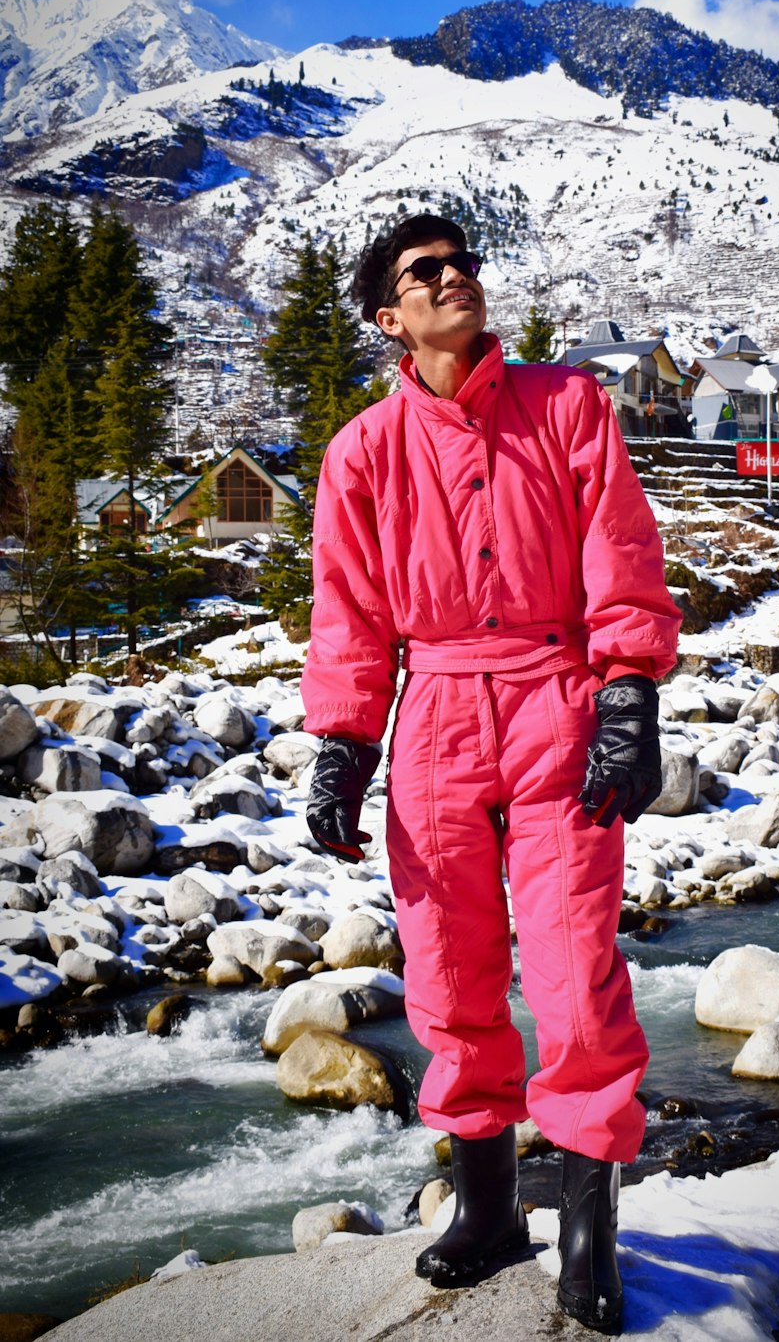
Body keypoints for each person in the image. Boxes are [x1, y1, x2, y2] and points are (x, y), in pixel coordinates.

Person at [301, 213, 682, 1334]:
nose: (456, 277)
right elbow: (351, 612)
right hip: (434, 720)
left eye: (464, 262)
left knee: (571, 970)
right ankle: (485, 1210)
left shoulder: (567, 405)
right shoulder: (360, 451)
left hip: (557, 695)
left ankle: (587, 1230)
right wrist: (341, 746)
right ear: (390, 316)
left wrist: (626, 696)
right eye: (428, 271)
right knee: (449, 976)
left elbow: (620, 549)